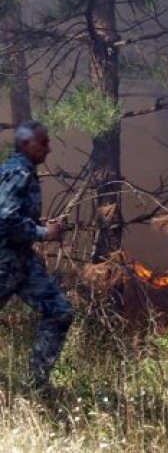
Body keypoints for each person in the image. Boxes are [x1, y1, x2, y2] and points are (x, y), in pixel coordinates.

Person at [0, 120, 73, 391]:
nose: (48, 149)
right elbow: (6, 219)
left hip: (22, 262)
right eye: (43, 143)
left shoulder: (21, 170)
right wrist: (43, 232)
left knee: (60, 311)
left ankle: (37, 385)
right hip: (5, 261)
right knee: (59, 312)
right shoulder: (18, 171)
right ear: (26, 144)